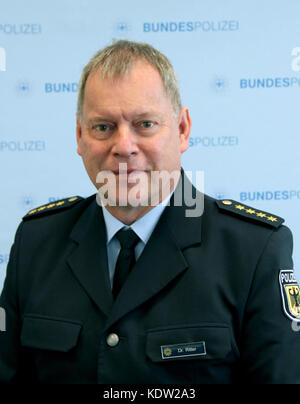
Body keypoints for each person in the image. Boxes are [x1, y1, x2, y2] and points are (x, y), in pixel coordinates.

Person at [0, 40, 299, 384]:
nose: (124, 147)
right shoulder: (36, 242)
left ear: (183, 130)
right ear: (80, 136)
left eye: (145, 124)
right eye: (103, 127)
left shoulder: (254, 250)